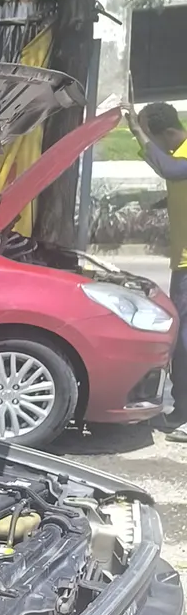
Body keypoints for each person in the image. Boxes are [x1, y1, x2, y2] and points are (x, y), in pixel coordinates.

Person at [126, 100, 187, 438]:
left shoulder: (183, 156)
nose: (151, 149)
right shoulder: (178, 152)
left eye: (152, 139)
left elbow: (172, 170)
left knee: (185, 341)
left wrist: (137, 131)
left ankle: (185, 412)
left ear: (166, 133)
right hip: (183, 262)